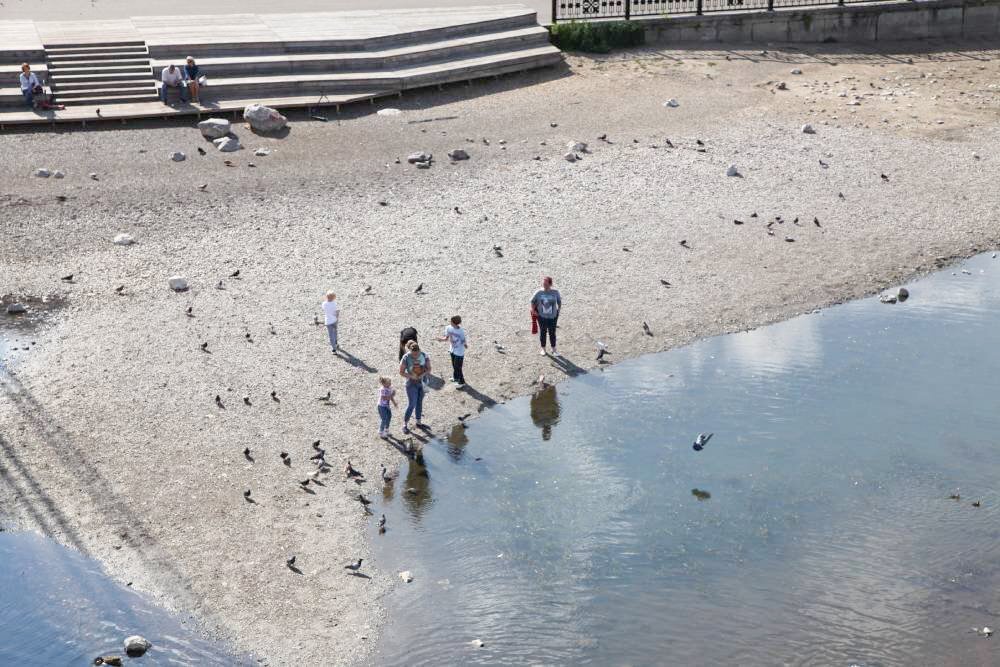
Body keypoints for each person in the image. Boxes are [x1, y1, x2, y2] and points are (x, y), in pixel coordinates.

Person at [398, 340, 430, 434]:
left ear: (419, 350)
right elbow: (401, 372)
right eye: (413, 355)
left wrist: (422, 374)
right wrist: (411, 376)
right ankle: (405, 424)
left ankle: (418, 422)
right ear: (410, 351)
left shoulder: (424, 355)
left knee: (419, 402)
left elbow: (429, 369)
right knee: (412, 404)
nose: (415, 356)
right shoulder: (406, 357)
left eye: (417, 354)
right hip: (411, 384)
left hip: (422, 382)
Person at [531, 276, 562, 356]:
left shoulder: (555, 292)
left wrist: (559, 310)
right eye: (543, 283)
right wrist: (533, 310)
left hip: (553, 317)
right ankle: (543, 349)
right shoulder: (539, 292)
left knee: (552, 332)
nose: (544, 284)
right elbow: (532, 301)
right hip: (542, 317)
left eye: (546, 283)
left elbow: (559, 301)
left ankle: (554, 349)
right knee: (543, 332)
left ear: (550, 284)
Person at [437, 315, 467, 386]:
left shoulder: (461, 331)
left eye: (451, 321)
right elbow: (446, 338)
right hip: (452, 350)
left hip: (459, 351)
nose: (450, 322)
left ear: (454, 323)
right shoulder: (448, 328)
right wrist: (440, 339)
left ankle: (462, 382)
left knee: (458, 367)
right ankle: (456, 377)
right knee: (454, 365)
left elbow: (463, 340)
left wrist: (465, 345)